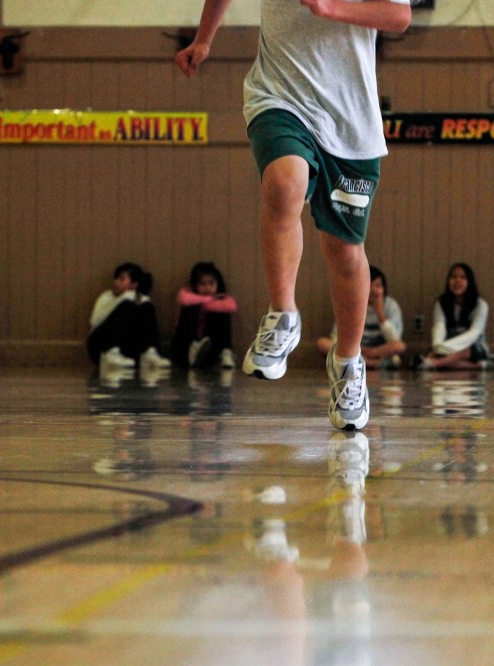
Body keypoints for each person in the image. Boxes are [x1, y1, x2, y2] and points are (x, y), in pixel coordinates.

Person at [176, 0, 412, 431]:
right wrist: (204, 38)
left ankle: (347, 362)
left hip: (350, 118)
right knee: (285, 185)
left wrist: (331, 9)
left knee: (344, 251)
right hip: (280, 95)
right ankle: (283, 315)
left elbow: (399, 17)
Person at [419, 263, 494, 371]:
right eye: (453, 277)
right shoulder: (441, 303)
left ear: (469, 282)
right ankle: (484, 365)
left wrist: (446, 348)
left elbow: (474, 333)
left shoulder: (480, 305)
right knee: (435, 354)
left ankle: (433, 364)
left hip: (473, 347)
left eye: (463, 278)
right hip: (447, 347)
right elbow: (439, 327)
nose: (457, 281)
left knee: (461, 353)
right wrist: (438, 347)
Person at [316, 265, 406, 370]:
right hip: (356, 350)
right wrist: (358, 349)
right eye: (369, 285)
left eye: (378, 286)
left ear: (384, 288)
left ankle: (363, 362)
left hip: (380, 350)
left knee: (400, 346)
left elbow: (395, 339)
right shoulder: (351, 304)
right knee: (322, 343)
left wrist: (380, 313)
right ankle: (369, 362)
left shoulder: (391, 305)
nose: (373, 290)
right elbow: (337, 336)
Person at [87, 262, 171, 372]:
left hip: (127, 351)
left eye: (121, 279)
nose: (116, 282)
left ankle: (149, 353)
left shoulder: (140, 299)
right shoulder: (106, 296)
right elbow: (94, 322)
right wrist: (122, 299)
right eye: (116, 278)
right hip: (100, 347)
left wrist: (137, 300)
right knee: (128, 306)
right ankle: (110, 352)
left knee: (146, 306)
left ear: (134, 284)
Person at [170, 262, 238, 369]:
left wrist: (208, 303)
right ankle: (194, 347)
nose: (207, 288)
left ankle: (225, 352)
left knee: (221, 311)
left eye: (211, 283)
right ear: (195, 285)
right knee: (191, 307)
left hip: (211, 348)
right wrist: (208, 300)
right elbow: (183, 298)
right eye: (202, 284)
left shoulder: (223, 299)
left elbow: (231, 306)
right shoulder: (188, 294)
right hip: (185, 350)